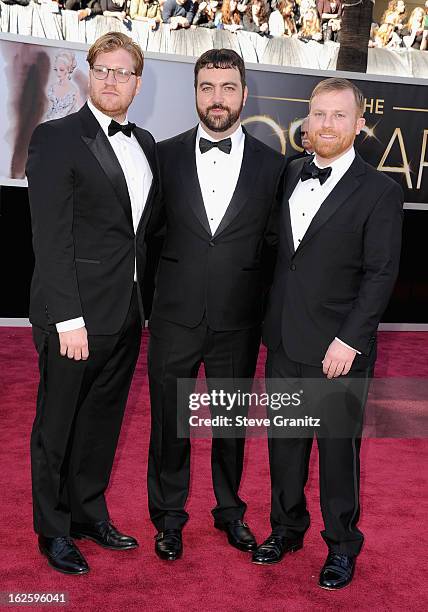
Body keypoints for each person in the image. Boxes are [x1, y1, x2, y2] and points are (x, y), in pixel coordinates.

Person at [252, 77, 403, 590]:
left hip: (340, 349)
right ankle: (287, 528)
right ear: (306, 121)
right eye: (319, 114)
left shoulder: (380, 191)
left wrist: (350, 339)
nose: (327, 125)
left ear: (360, 124)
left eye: (340, 115)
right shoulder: (291, 174)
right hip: (285, 341)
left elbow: (380, 274)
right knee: (284, 446)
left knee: (338, 453)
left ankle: (341, 544)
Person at [26, 31, 159, 575]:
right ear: (89, 72)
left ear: (136, 81)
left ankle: (88, 513)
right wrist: (68, 318)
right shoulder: (56, 137)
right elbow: (51, 237)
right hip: (74, 317)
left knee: (102, 422)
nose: (110, 80)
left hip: (126, 311)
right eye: (102, 69)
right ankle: (52, 529)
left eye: (122, 72)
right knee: (57, 426)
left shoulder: (146, 143)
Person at [147, 48, 285, 562]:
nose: (217, 98)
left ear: (245, 94)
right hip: (174, 317)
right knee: (169, 424)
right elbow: (148, 234)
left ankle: (230, 512)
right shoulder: (164, 155)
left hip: (237, 321)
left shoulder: (275, 167)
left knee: (229, 426)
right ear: (195, 93)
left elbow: (277, 248)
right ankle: (168, 518)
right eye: (207, 87)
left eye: (228, 87)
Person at [45, 51, 82, 121]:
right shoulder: (52, 87)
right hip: (48, 123)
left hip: (64, 126)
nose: (58, 73)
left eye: (61, 70)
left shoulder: (74, 90)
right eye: (56, 69)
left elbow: (82, 112)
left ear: (69, 69)